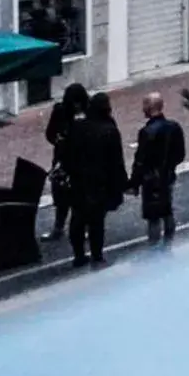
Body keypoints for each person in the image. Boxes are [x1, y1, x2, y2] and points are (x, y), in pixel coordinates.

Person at [61, 91, 126, 267]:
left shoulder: (77, 127)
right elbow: (116, 162)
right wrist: (122, 184)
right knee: (96, 221)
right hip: (100, 183)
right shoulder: (110, 130)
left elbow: (67, 154)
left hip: (78, 181)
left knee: (78, 219)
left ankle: (79, 256)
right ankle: (97, 256)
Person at [129, 92, 186, 248]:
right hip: (168, 176)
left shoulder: (146, 132)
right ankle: (169, 244)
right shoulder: (174, 127)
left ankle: (154, 248)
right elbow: (180, 154)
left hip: (151, 180)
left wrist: (134, 183)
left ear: (149, 107)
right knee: (167, 211)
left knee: (153, 217)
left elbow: (140, 160)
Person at [43, 83, 89, 240]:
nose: (76, 106)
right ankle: (58, 227)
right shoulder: (60, 111)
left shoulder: (90, 113)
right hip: (63, 161)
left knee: (81, 196)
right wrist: (58, 140)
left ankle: (83, 227)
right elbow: (50, 133)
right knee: (61, 197)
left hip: (82, 161)